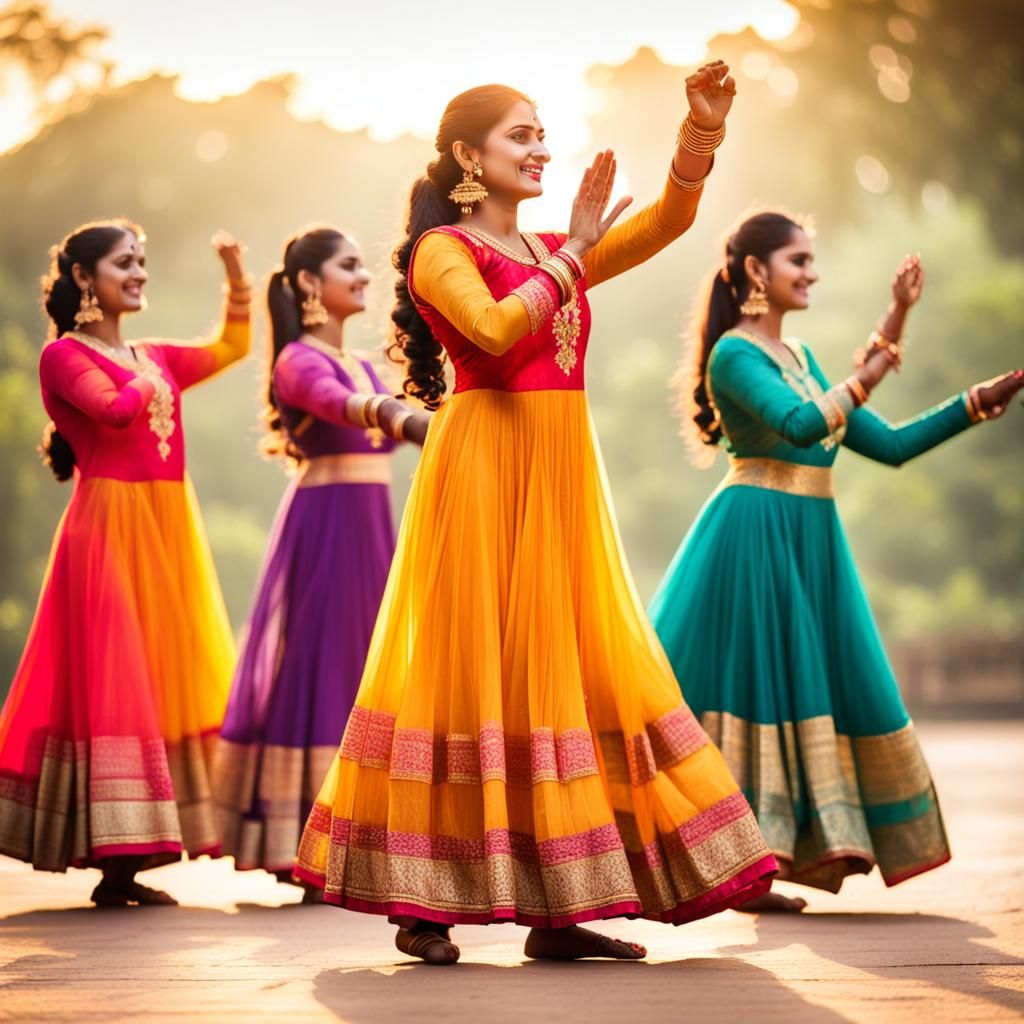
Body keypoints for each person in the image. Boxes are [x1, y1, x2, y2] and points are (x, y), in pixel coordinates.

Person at [295, 67, 777, 965]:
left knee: (562, 667)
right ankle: (422, 900)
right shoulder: (443, 250)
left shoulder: (556, 247)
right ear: (468, 156)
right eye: (522, 134)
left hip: (558, 475)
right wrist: (571, 255)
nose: (542, 147)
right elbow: (491, 330)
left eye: (543, 132)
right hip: (484, 471)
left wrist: (697, 133)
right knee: (468, 667)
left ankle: (562, 904)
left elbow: (667, 222)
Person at [649, 210, 1024, 910]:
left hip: (809, 536)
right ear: (757, 271)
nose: (812, 272)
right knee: (757, 693)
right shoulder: (734, 354)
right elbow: (798, 425)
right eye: (799, 260)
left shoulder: (803, 359)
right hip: (754, 534)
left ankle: (764, 862)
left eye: (812, 260)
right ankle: (733, 864)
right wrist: (871, 370)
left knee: (798, 694)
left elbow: (889, 446)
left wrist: (974, 403)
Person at [0, 220, 252, 906]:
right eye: (123, 263)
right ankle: (116, 859)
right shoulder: (64, 356)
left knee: (159, 674)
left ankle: (133, 857)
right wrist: (147, 376)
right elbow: (112, 412)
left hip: (167, 524)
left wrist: (235, 281)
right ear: (85, 278)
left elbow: (232, 347)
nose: (139, 272)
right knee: (118, 678)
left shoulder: (150, 352)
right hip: (109, 527)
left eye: (142, 261)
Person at [213, 226, 429, 890]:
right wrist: (398, 418)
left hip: (372, 531)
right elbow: (335, 404)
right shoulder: (297, 362)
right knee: (327, 665)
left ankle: (362, 831)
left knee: (372, 667)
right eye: (349, 266)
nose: (362, 276)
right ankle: (308, 836)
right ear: (310, 283)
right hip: (326, 529)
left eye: (364, 265)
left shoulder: (367, 363)